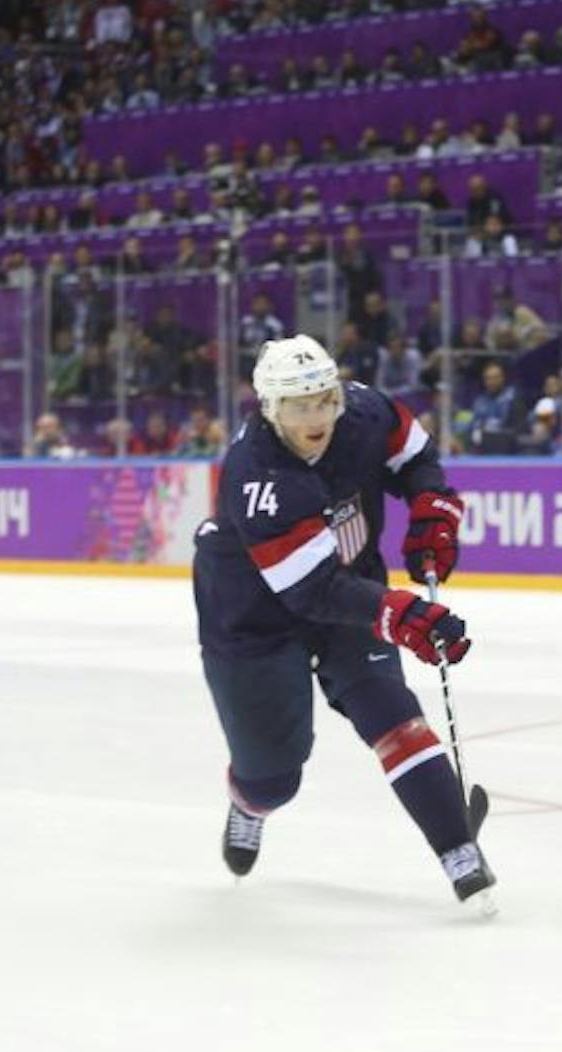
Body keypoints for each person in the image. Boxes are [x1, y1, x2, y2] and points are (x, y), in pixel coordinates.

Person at [191, 334, 493, 909]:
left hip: (348, 585)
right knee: (274, 776)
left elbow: (416, 457)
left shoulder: (364, 411)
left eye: (324, 400)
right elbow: (312, 590)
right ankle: (248, 802)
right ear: (269, 409)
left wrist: (432, 507)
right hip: (252, 613)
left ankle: (460, 853)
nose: (317, 417)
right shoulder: (259, 478)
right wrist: (402, 613)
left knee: (395, 717)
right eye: (299, 406)